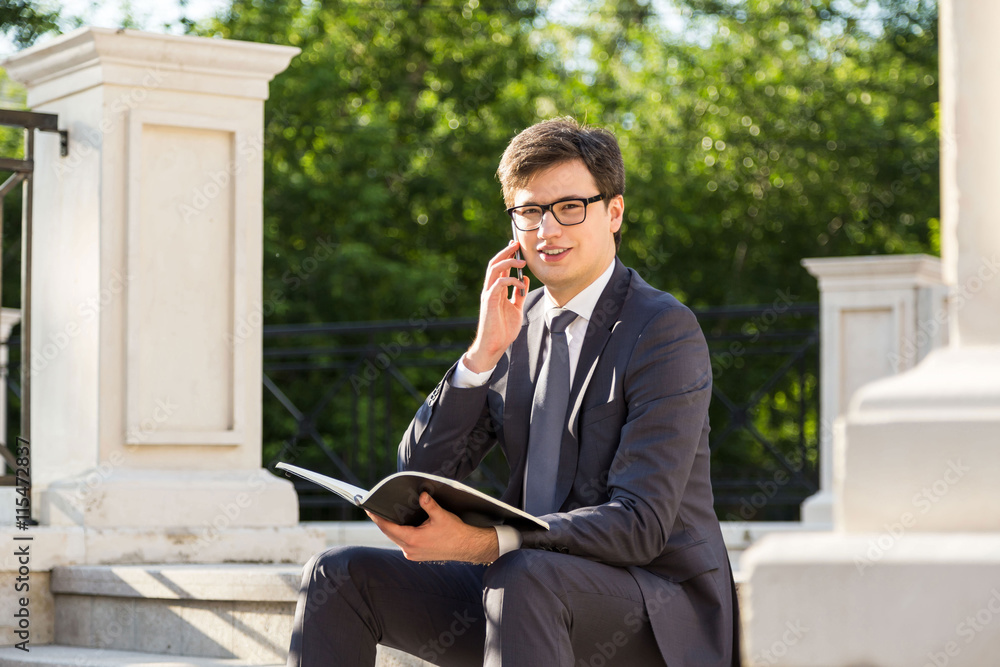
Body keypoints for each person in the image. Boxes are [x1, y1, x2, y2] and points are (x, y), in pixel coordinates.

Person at [286, 117, 739, 667]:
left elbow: (640, 525)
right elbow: (421, 470)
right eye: (529, 211)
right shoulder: (512, 326)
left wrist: (486, 544)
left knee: (523, 575)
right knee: (337, 575)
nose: (547, 230)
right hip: (525, 592)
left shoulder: (663, 330)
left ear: (613, 212)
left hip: (652, 607)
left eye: (569, 207)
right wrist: (481, 355)